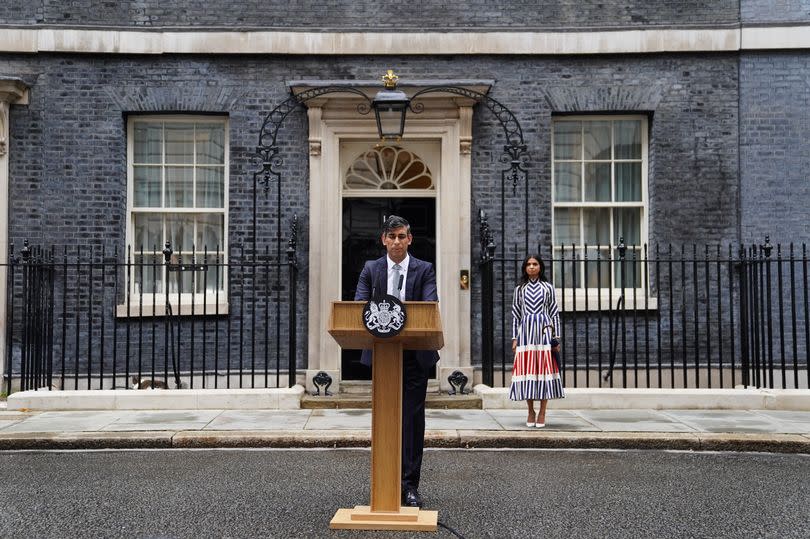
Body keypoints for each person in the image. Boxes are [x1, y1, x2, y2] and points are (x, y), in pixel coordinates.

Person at [354, 215, 438, 509]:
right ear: (384, 240)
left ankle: (409, 486)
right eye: (392, 237)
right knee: (385, 420)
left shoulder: (424, 269)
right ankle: (385, 484)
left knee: (412, 423)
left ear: (409, 239)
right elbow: (359, 308)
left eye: (402, 236)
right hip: (383, 355)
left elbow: (428, 308)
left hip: (415, 356)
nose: (397, 242)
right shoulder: (371, 269)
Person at [509, 254, 565, 427]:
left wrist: (556, 338)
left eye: (535, 264)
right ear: (525, 268)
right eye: (529, 264)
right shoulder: (520, 289)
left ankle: (542, 412)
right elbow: (515, 315)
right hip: (525, 334)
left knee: (544, 371)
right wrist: (514, 338)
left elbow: (554, 312)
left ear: (540, 267)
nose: (532, 267)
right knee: (528, 371)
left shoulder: (548, 287)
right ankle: (530, 411)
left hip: (544, 333)